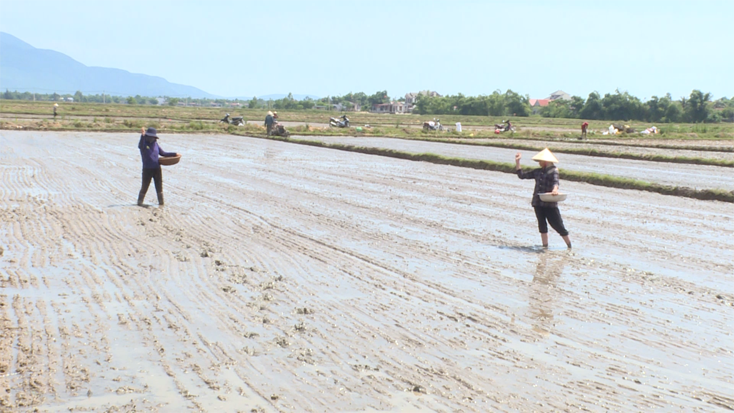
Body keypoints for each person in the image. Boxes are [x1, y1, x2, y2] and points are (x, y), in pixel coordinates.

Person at [515, 148, 572, 248]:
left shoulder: (554, 171)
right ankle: (545, 246)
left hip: (550, 203)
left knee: (557, 225)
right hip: (538, 202)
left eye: (540, 161)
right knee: (542, 225)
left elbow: (555, 182)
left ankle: (569, 245)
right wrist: (518, 162)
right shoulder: (538, 172)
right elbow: (522, 175)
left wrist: (555, 190)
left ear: (546, 162)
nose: (539, 163)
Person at [137, 127, 178, 206]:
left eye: (153, 137)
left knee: (159, 187)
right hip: (147, 169)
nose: (151, 138)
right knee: (145, 186)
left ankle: (161, 203)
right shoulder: (144, 144)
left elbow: (163, 153)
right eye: (149, 136)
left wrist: (175, 154)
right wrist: (142, 135)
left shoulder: (155, 144)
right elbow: (140, 145)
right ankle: (139, 202)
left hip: (157, 168)